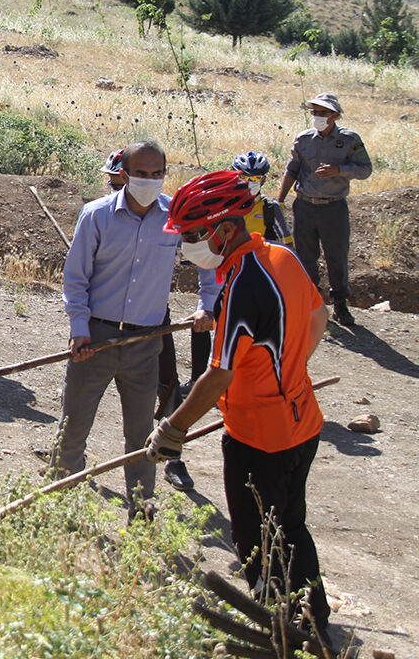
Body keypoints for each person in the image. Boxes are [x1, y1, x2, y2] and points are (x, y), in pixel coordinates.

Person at [149, 170, 331, 640]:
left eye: (192, 235)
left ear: (224, 229)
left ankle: (279, 632)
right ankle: (315, 621)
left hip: (259, 437)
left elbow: (218, 374)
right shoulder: (281, 257)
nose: (187, 245)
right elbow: (319, 315)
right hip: (303, 421)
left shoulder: (244, 284)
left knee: (256, 539)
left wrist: (173, 428)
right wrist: (290, 371)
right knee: (291, 524)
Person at [50, 140, 218, 518]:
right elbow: (76, 278)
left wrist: (207, 306)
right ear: (123, 174)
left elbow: (209, 264)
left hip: (147, 341)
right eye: (141, 174)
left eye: (157, 174)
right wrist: (80, 329)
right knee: (74, 424)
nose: (150, 180)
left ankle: (141, 508)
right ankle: (59, 504)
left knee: (142, 432)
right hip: (96, 339)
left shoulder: (178, 215)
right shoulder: (96, 215)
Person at [277, 93, 371, 327]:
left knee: (336, 257)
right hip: (305, 206)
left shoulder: (349, 140)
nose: (317, 117)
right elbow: (293, 169)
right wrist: (280, 200)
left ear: (335, 115)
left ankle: (340, 304)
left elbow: (365, 169)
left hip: (333, 208)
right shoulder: (304, 139)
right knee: (306, 258)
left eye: (323, 113)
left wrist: (339, 170)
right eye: (315, 112)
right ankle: (314, 303)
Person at [233, 151, 292, 247]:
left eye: (255, 178)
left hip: (260, 260)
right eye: (244, 177)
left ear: (263, 180)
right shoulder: (227, 206)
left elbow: (287, 244)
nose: (250, 182)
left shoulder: (270, 208)